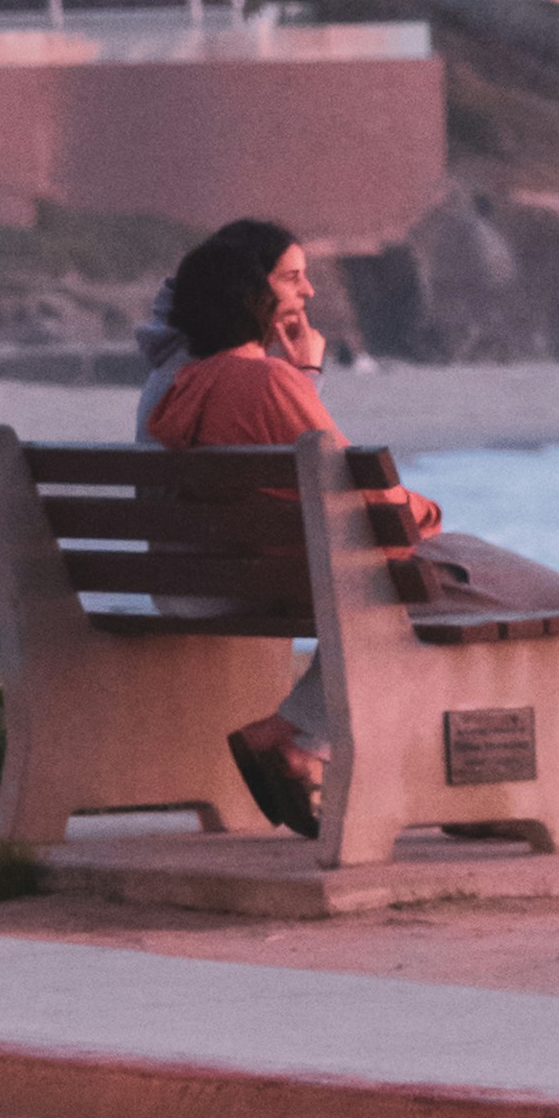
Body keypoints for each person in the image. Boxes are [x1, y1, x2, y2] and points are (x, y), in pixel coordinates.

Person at [136, 218, 439, 842]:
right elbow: (351, 491)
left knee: (379, 581)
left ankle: (299, 740)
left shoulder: (175, 384)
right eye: (293, 279)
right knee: (410, 582)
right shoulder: (255, 380)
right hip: (245, 577)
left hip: (193, 572)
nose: (308, 294)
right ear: (252, 291)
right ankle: (293, 738)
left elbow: (289, 469)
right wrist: (427, 512)